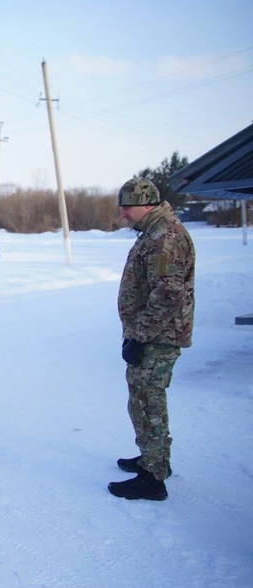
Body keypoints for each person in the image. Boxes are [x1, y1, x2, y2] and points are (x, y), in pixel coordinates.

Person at [107, 178, 195, 502]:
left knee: (148, 403)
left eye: (127, 209)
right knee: (144, 401)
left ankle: (152, 479)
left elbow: (167, 295)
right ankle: (152, 459)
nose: (123, 216)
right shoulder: (154, 233)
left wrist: (140, 337)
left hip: (157, 338)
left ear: (145, 205)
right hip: (152, 335)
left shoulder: (164, 238)